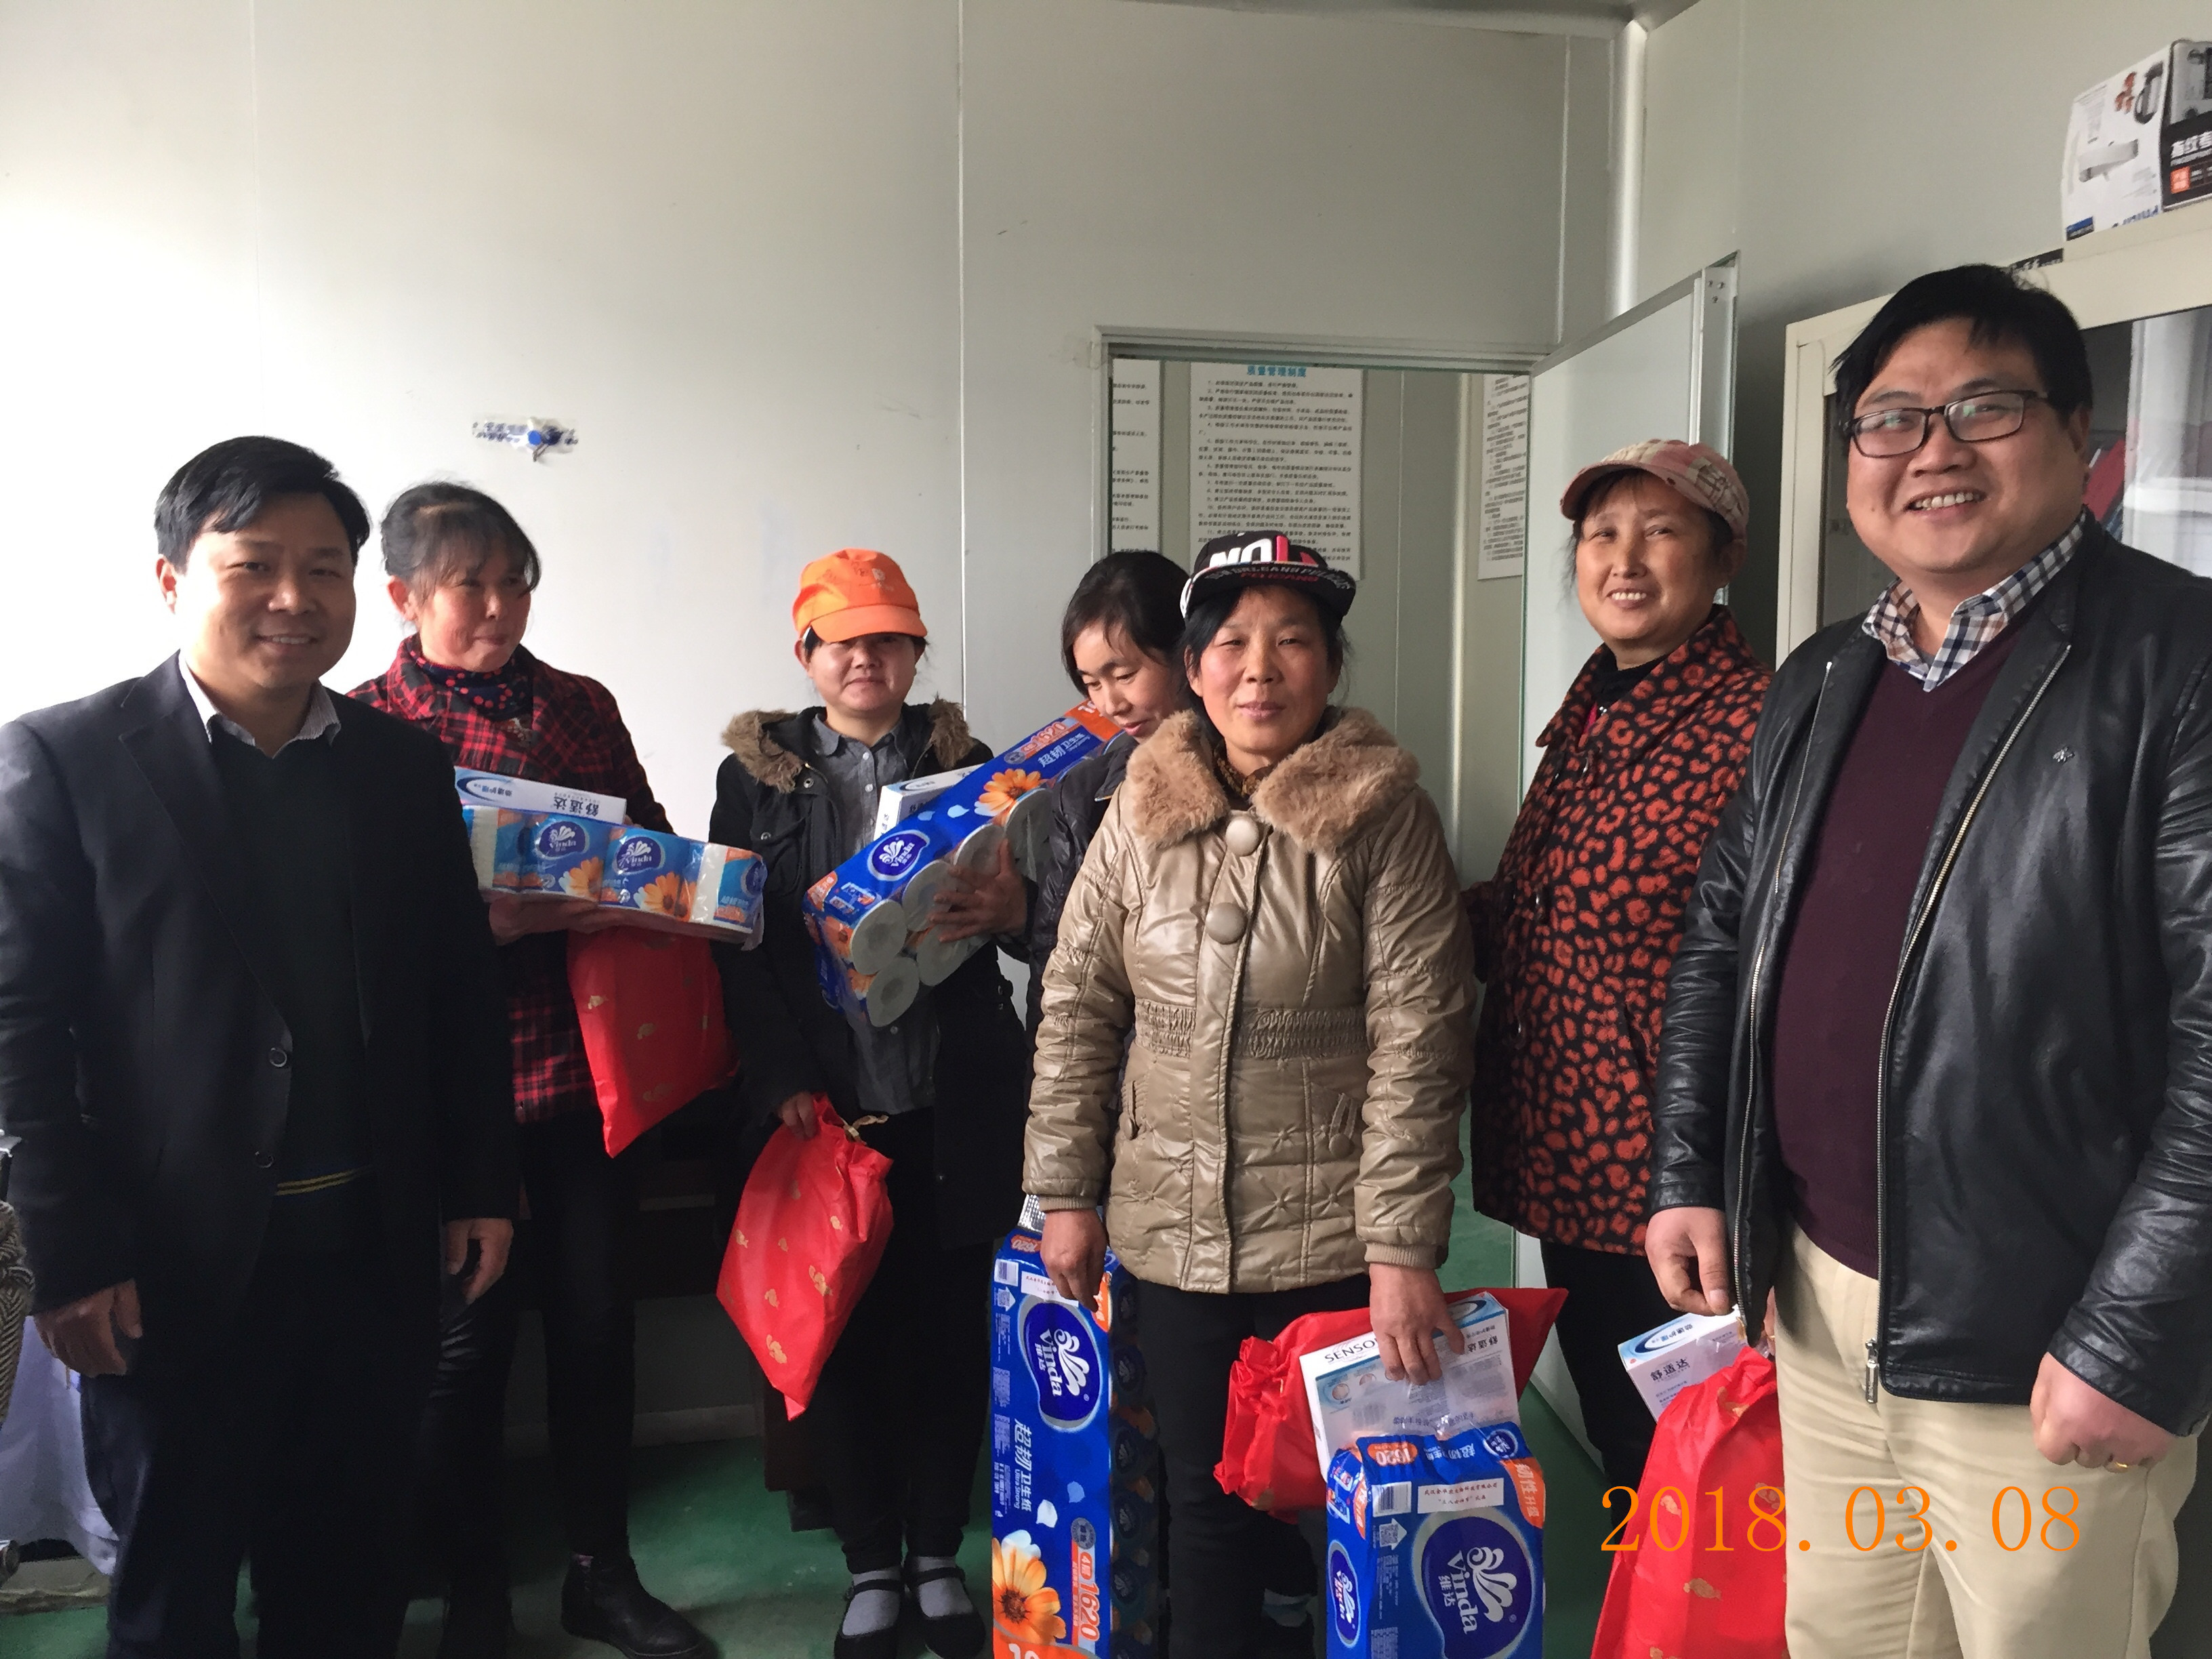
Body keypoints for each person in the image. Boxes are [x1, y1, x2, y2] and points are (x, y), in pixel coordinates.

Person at [1648, 265, 2211, 1658]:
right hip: (1818, 1304)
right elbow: (1724, 937)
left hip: (2040, 1332)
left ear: (2077, 433)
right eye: (1890, 419)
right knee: (1842, 1638)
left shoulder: (2178, 661)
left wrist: (2132, 1333)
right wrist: (1692, 1169)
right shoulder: (1824, 674)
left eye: (1984, 407)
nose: (1932, 450)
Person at [0, 436, 515, 1657]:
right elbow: (20, 1026)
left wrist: (482, 1182)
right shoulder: (66, 759)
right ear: (173, 578)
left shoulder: (399, 764)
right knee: (175, 1601)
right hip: (168, 1277)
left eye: (324, 567)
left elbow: (455, 990)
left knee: (346, 1588)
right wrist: (70, 1257)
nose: (295, 596)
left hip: (371, 1264)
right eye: (255, 565)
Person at [1026, 531, 1475, 1659]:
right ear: (1194, 665)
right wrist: (1064, 1193)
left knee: (1348, 1505)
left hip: (1329, 1237)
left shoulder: (1385, 817)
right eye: (1229, 642)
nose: (1259, 669)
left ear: (1331, 664)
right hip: (1170, 1234)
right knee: (1204, 1502)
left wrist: (1400, 1248)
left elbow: (1421, 1040)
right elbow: (1077, 1006)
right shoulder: (1138, 811)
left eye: (1292, 640)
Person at [352, 484, 712, 1659]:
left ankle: (601, 1576)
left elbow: (654, 850)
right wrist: (479, 924)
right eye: (472, 586)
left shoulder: (578, 706)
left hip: (583, 1077)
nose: (500, 607)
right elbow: (338, 927)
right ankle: (476, 1594)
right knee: (464, 1354)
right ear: (404, 596)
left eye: (516, 583)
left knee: (598, 1331)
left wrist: (619, 885)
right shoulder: (359, 728)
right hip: (445, 1101)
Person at [710, 548, 1029, 1659]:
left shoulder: (971, 765)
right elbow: (737, 943)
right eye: (842, 640)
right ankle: (870, 1564)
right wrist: (781, 1077)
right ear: (806, 653)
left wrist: (1003, 910)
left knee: (949, 1338)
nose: (865, 658)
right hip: (826, 1111)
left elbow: (1027, 911)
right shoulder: (757, 778)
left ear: (913, 652)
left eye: (888, 638)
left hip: (954, 1098)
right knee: (842, 1341)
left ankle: (937, 1553)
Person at [1462, 441, 1767, 1502]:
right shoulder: (1593, 717)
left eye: (1661, 531)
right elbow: (1527, 915)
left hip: (1679, 1181)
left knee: (1699, 1473)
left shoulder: (1757, 725)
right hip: (1575, 1167)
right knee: (1624, 1442)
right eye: (1602, 534)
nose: (1624, 560)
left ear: (1724, 558)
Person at [931, 549, 1187, 1032]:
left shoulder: (1249, 774)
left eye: (1125, 675)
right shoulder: (1087, 792)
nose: (1111, 703)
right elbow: (1065, 959)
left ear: (1187, 651)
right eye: (1092, 683)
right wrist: (1022, 913)